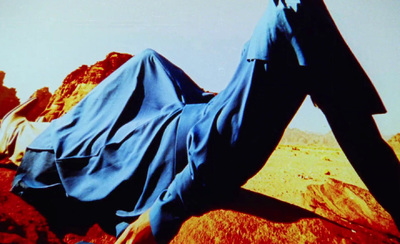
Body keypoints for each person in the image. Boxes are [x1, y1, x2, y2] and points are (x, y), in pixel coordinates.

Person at [10, 0, 400, 243]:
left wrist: (161, 216)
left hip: (176, 134)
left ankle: (22, 129)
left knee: (71, 140)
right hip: (179, 120)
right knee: (140, 72)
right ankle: (22, 127)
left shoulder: (292, 12)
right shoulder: (292, 13)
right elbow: (362, 140)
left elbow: (359, 139)